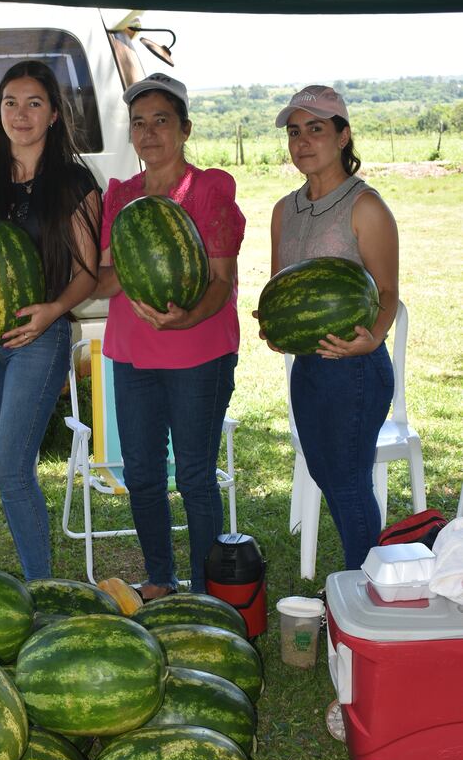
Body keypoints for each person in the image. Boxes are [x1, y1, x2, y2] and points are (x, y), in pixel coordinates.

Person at [0, 60, 101, 580]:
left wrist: (53, 312)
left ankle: (41, 588)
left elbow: (86, 273)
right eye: (10, 102)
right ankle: (41, 580)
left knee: (9, 469)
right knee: (11, 471)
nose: (21, 113)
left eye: (34, 103)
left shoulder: (76, 184)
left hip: (40, 339)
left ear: (54, 115)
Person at [97, 72, 245, 600]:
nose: (149, 133)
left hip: (199, 352)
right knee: (140, 473)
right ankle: (160, 578)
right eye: (139, 123)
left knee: (196, 476)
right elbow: (108, 275)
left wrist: (183, 318)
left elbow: (222, 280)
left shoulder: (208, 190)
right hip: (132, 355)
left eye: (161, 120)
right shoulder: (121, 196)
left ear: (184, 129)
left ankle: (209, 593)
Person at [263, 84, 399, 570]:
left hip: (355, 369)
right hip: (310, 367)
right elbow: (283, 290)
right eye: (294, 132)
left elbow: (387, 293)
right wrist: (273, 325)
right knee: (326, 472)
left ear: (343, 136)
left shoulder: (365, 207)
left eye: (316, 129)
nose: (302, 142)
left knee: (346, 479)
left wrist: (372, 339)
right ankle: (366, 580)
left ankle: (368, 584)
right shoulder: (284, 210)